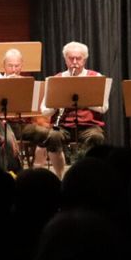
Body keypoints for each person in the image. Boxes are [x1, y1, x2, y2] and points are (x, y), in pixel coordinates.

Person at [38, 41, 108, 174]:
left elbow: (104, 107)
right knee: (53, 136)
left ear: (85, 59)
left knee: (96, 137)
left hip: (89, 125)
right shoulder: (56, 79)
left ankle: (86, 172)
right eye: (71, 58)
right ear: (65, 59)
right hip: (63, 126)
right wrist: (59, 102)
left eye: (78, 58)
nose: (74, 62)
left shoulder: (96, 77)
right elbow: (45, 111)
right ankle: (60, 175)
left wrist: (84, 100)